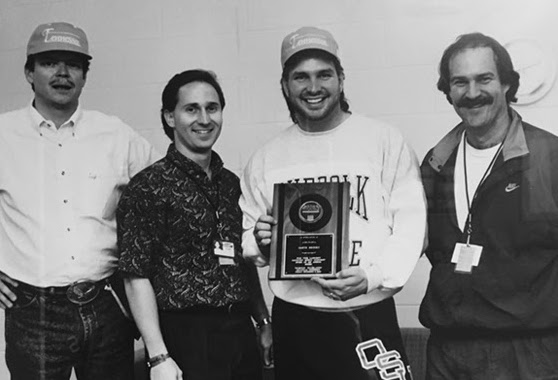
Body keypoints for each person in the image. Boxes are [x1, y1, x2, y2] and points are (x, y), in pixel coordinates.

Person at [239, 26, 426, 380]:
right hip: (296, 317)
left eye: (323, 74)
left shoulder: (384, 140)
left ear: (341, 78)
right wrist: (261, 240)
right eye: (300, 77)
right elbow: (249, 237)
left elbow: (412, 226)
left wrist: (373, 276)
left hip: (367, 311)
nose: (313, 87)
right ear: (284, 85)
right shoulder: (266, 158)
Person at [0, 22, 157, 379]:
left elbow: (162, 189)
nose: (62, 73)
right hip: (33, 312)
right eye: (49, 62)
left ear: (85, 75)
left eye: (72, 64)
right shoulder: (3, 135)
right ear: (29, 71)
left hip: (105, 304)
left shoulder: (116, 135)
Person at [117, 69, 273, 380]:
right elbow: (135, 275)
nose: (204, 119)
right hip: (185, 334)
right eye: (191, 109)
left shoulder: (232, 184)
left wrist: (263, 320)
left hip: (239, 329)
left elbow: (242, 259)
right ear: (170, 117)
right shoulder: (148, 187)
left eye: (212, 108)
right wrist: (158, 355)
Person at [420, 32, 558, 379]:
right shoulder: (435, 164)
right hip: (447, 352)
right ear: (447, 91)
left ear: (508, 84)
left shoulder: (548, 157)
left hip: (528, 354)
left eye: (484, 79)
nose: (472, 93)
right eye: (459, 82)